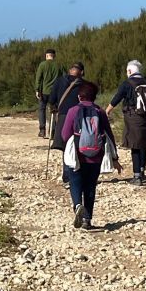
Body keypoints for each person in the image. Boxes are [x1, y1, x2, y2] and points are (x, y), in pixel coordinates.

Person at [58, 81, 115, 230]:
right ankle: (87, 220)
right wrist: (115, 158)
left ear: (79, 96)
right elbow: (109, 135)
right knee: (90, 187)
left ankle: (77, 205)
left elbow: (64, 135)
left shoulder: (73, 111)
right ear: (94, 97)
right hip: (96, 156)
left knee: (75, 182)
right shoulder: (100, 112)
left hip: (77, 155)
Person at [107, 60, 146, 186]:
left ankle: (137, 176)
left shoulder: (127, 83)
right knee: (143, 144)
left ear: (129, 71)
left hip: (133, 117)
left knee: (135, 145)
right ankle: (142, 170)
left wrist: (107, 111)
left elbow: (116, 98)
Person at [48, 62, 86, 147]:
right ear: (82, 72)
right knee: (77, 143)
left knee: (63, 142)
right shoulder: (85, 84)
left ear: (70, 70)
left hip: (63, 115)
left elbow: (51, 99)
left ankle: (65, 158)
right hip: (79, 116)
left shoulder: (59, 81)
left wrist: (54, 107)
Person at [33, 49, 62, 138]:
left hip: (44, 91)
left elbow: (38, 78)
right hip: (55, 92)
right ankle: (53, 131)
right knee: (54, 111)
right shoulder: (59, 65)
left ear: (46, 56)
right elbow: (63, 78)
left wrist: (37, 89)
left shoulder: (42, 65)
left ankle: (42, 130)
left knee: (42, 109)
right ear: (54, 56)